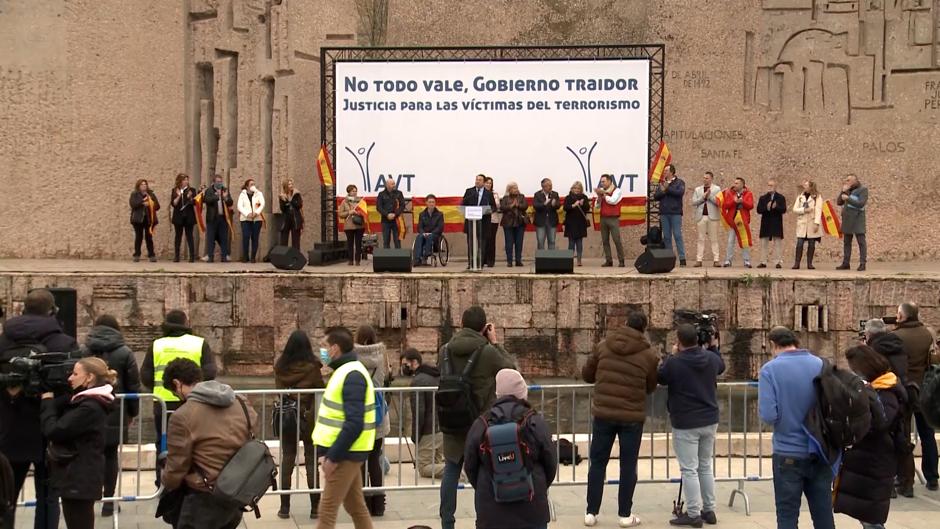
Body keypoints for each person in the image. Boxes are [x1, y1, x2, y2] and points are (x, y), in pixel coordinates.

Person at [0, 288, 77, 529]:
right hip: (49, 429)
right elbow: (71, 387)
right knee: (48, 498)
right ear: (53, 311)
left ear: (23, 308)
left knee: (6, 496)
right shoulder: (64, 342)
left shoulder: (3, 340)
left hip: (8, 430)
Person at [440, 306, 516, 529]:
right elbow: (511, 369)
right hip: (481, 424)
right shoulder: (488, 352)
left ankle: (447, 522)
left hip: (452, 420)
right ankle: (481, 522)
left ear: (461, 324)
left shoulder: (444, 350)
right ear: (484, 328)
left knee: (451, 471)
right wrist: (494, 342)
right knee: (482, 476)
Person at [582, 310, 658, 528]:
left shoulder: (603, 346)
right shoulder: (649, 355)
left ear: (624, 323)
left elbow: (587, 374)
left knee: (597, 463)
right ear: (643, 329)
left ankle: (591, 512)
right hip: (632, 417)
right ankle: (625, 515)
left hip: (604, 414)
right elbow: (651, 386)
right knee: (627, 465)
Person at [161, 358, 256, 529]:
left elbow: (177, 466)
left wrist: (165, 480)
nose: (178, 398)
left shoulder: (182, 416)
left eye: (175, 393)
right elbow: (252, 425)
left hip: (203, 498)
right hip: (235, 491)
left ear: (177, 384)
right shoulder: (241, 402)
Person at [758, 327, 834, 529]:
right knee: (823, 513)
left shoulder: (769, 370)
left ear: (774, 345)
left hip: (787, 452)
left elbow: (768, 415)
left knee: (787, 515)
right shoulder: (820, 364)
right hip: (820, 449)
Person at [463, 369, 556, 529]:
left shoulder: (482, 424)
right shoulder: (534, 422)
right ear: (521, 392)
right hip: (531, 507)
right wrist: (537, 484)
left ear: (498, 393)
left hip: (491, 511)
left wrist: (488, 487)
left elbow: (470, 466)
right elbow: (550, 462)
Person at [140, 309, 217, 488]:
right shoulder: (199, 343)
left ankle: (163, 482)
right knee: (195, 441)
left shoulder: (157, 345)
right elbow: (210, 372)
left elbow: (145, 375)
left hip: (163, 402)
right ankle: (193, 479)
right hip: (194, 402)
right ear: (186, 323)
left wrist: (161, 389)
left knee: (164, 442)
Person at [657, 324, 725, 527]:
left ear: (678, 341)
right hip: (709, 419)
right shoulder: (711, 358)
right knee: (705, 466)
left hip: (686, 422)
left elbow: (661, 377)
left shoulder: (675, 362)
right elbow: (721, 366)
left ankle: (694, 513)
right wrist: (713, 347)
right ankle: (709, 509)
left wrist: (671, 355)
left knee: (689, 469)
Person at [835, 346, 908, 529]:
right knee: (866, 514)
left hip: (877, 459)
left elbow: (881, 423)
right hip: (868, 458)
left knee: (872, 518)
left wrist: (867, 395)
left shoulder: (887, 390)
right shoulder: (877, 388)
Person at [39, 357, 115, 529]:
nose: (69, 378)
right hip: (79, 477)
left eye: (75, 374)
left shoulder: (89, 407)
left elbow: (55, 430)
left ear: (89, 378)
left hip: (79, 478)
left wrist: (47, 402)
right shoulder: (89, 401)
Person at [311, 328, 375, 529]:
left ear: (335, 349)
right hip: (348, 450)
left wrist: (333, 457)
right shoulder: (345, 371)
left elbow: (354, 422)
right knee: (356, 506)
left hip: (346, 453)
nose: (321, 351)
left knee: (327, 509)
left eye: (324, 347)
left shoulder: (352, 375)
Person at [82, 315, 141, 517]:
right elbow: (134, 385)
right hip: (115, 409)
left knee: (90, 456)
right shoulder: (125, 352)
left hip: (87, 410)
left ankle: (88, 499)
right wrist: (133, 411)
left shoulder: (84, 351)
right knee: (110, 455)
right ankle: (109, 502)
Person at [274, 330, 325, 519]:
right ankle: (314, 508)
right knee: (311, 461)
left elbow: (278, 391)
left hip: (288, 418)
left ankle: (284, 507)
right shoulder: (312, 367)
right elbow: (321, 389)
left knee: (287, 459)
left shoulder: (280, 367)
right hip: (308, 419)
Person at [893, 302, 939, 494]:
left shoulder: (896, 337)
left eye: (897, 314)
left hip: (904, 391)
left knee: (902, 436)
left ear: (903, 317)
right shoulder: (927, 334)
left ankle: (905, 479)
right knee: (927, 435)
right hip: (924, 389)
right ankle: (932, 477)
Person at [353, 325, 391, 517]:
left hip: (359, 414)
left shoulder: (352, 356)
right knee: (375, 460)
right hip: (377, 414)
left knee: (361, 461)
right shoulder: (382, 355)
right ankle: (379, 505)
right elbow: (385, 379)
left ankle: (364, 504)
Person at [400, 349, 444, 479]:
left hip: (428, 430)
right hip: (441, 428)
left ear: (414, 362)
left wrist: (416, 435)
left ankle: (458, 471)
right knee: (436, 463)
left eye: (405, 364)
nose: (403, 368)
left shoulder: (418, 381)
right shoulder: (435, 376)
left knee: (424, 467)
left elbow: (419, 412)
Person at [654, 164, 687, 266]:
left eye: (667, 171)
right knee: (667, 237)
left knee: (677, 235)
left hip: (675, 213)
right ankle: (669, 259)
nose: (665, 172)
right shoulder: (662, 183)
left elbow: (679, 192)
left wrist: (667, 189)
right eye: (664, 171)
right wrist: (663, 191)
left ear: (672, 172)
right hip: (664, 212)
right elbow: (656, 196)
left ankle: (682, 258)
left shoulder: (679, 182)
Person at [462, 174, 496, 269]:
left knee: (482, 244)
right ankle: (471, 263)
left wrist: (486, 210)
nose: (477, 181)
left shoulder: (488, 194)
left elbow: (493, 207)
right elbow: (463, 204)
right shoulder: (470, 191)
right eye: (476, 179)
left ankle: (479, 263)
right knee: (471, 244)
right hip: (471, 222)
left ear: (484, 182)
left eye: (480, 180)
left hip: (483, 222)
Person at [690, 171, 722, 268]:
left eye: (707, 178)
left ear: (711, 179)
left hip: (712, 217)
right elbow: (694, 202)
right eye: (704, 178)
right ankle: (699, 260)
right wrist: (703, 197)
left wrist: (710, 196)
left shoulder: (717, 189)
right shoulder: (698, 189)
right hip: (701, 216)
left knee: (714, 239)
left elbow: (718, 202)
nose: (705, 179)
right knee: (700, 239)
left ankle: (716, 260)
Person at [837, 174, 868, 271]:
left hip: (858, 219)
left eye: (848, 180)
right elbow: (839, 202)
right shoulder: (847, 190)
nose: (846, 182)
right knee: (847, 242)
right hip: (847, 219)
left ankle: (862, 263)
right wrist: (842, 191)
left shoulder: (863, 190)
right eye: (846, 180)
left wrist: (848, 199)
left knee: (861, 242)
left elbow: (861, 204)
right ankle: (846, 263)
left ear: (855, 181)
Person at [721, 177, 755, 268]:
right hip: (733, 221)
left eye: (737, 183)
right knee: (730, 241)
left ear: (742, 185)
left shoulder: (748, 193)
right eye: (734, 183)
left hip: (743, 221)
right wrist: (734, 201)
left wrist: (742, 201)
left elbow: (751, 205)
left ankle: (746, 260)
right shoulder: (730, 193)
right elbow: (726, 205)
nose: (734, 185)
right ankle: (728, 260)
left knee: (745, 241)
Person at [862, 318, 908, 384]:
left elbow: (869, 373)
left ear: (868, 333)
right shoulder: (897, 342)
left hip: (883, 387)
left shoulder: (874, 349)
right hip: (901, 385)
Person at [594, 174, 625, 267]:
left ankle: (621, 260)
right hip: (603, 218)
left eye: (603, 181)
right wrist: (599, 198)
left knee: (616, 239)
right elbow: (596, 206)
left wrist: (603, 195)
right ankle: (609, 260)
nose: (602, 183)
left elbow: (613, 200)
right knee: (605, 240)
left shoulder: (617, 190)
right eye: (601, 182)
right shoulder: (602, 192)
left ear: (609, 181)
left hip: (613, 218)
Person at [756, 178, 787, 269]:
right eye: (768, 185)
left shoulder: (781, 198)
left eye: (771, 185)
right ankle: (763, 261)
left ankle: (777, 262)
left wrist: (776, 207)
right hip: (766, 223)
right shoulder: (763, 198)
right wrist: (767, 207)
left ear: (775, 187)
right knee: (763, 243)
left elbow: (784, 209)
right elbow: (759, 210)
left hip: (776, 223)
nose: (769, 187)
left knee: (777, 243)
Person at [202, 174, 234, 263]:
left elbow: (230, 202)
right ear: (214, 182)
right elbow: (206, 200)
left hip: (223, 218)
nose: (219, 183)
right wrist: (217, 196)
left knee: (224, 238)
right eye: (218, 182)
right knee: (211, 238)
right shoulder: (209, 190)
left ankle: (224, 256)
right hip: (212, 218)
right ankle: (210, 257)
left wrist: (225, 197)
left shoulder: (225, 190)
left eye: (221, 182)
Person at [792, 180, 823, 270]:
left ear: (811, 187)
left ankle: (810, 263)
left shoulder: (817, 197)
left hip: (811, 222)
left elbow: (818, 210)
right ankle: (797, 263)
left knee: (811, 243)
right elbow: (795, 209)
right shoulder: (800, 197)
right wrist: (804, 210)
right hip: (802, 222)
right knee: (800, 243)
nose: (804, 187)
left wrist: (816, 223)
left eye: (806, 185)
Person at [129, 178, 160, 262]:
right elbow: (133, 204)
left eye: (145, 184)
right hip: (138, 219)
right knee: (138, 237)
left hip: (149, 219)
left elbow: (157, 206)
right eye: (142, 185)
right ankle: (137, 255)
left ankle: (151, 255)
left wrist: (150, 203)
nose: (144, 186)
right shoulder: (134, 194)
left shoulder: (151, 194)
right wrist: (142, 202)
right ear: (138, 186)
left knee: (149, 237)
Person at [170, 173, 198, 263]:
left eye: (187, 179)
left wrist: (190, 197)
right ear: (180, 181)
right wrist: (179, 195)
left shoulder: (192, 190)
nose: (186, 181)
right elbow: (174, 204)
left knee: (189, 236)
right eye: (184, 179)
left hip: (189, 216)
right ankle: (177, 256)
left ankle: (192, 257)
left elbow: (194, 203)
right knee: (178, 236)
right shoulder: (175, 190)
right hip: (178, 216)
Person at [500, 182, 528, 267]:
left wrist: (518, 205)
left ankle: (518, 260)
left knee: (519, 242)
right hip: (508, 223)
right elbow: (502, 208)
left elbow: (525, 206)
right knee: (509, 242)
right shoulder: (505, 198)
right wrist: (511, 206)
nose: (516, 190)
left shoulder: (521, 197)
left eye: (516, 188)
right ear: (509, 189)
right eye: (514, 188)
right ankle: (509, 261)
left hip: (520, 222)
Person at [237, 178, 265, 263]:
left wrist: (256, 213)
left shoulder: (259, 194)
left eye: (254, 184)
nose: (253, 186)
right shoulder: (242, 194)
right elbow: (239, 206)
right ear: (247, 186)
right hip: (246, 219)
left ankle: (253, 257)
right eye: (251, 184)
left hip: (257, 219)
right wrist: (247, 214)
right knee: (246, 237)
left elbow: (262, 204)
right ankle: (245, 256)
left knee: (255, 238)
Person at [563, 181, 591, 266]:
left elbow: (587, 208)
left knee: (579, 242)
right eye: (575, 188)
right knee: (571, 243)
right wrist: (573, 205)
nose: (576, 190)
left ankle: (579, 260)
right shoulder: (568, 197)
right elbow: (565, 208)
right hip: (570, 223)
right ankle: (569, 260)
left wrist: (583, 204)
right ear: (572, 188)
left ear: (581, 189)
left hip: (580, 223)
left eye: (578, 188)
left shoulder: (584, 197)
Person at [337, 184, 366, 266]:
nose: (355, 192)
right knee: (350, 244)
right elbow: (340, 214)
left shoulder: (361, 201)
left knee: (358, 244)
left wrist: (360, 212)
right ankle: (350, 260)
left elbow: (365, 211)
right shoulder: (344, 201)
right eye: (353, 191)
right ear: (349, 192)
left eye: (356, 191)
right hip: (349, 226)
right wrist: (349, 212)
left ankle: (357, 260)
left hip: (359, 225)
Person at [414, 194, 444, 266]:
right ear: (426, 203)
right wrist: (423, 233)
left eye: (433, 202)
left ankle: (425, 255)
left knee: (430, 236)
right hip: (424, 234)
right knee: (419, 236)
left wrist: (431, 233)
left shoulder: (439, 214)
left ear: (435, 203)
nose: (431, 204)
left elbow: (440, 227)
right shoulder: (422, 214)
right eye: (430, 202)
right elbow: (419, 227)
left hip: (435, 235)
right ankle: (417, 259)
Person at [376, 178, 405, 249]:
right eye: (392, 184)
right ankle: (387, 258)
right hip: (385, 221)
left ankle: (398, 258)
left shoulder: (399, 193)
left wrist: (395, 214)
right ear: (387, 185)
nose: (394, 185)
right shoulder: (381, 194)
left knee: (397, 240)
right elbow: (379, 207)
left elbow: (402, 205)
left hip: (396, 220)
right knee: (386, 241)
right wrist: (387, 215)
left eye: (394, 183)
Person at [533, 178, 561, 250]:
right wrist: (544, 204)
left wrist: (554, 204)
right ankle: (541, 260)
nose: (550, 187)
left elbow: (558, 205)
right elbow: (535, 206)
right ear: (543, 186)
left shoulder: (555, 194)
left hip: (552, 221)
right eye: (548, 185)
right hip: (540, 221)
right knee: (540, 241)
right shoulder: (537, 194)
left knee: (552, 241)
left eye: (551, 185)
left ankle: (551, 260)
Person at [279, 178, 304, 249]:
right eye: (289, 184)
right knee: (283, 239)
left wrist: (291, 200)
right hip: (286, 219)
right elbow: (282, 209)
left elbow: (299, 205)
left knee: (296, 240)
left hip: (295, 219)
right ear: (286, 186)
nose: (291, 185)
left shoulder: (296, 194)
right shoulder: (282, 195)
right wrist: (284, 201)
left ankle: (295, 257)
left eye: (292, 184)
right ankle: (283, 257)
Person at [484, 177, 499, 268]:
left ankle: (491, 260)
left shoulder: (494, 194)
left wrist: (486, 209)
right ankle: (483, 259)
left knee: (491, 240)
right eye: (487, 183)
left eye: (490, 183)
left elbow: (497, 205)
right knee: (483, 241)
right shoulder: (480, 193)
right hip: (482, 220)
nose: (488, 185)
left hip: (493, 220)